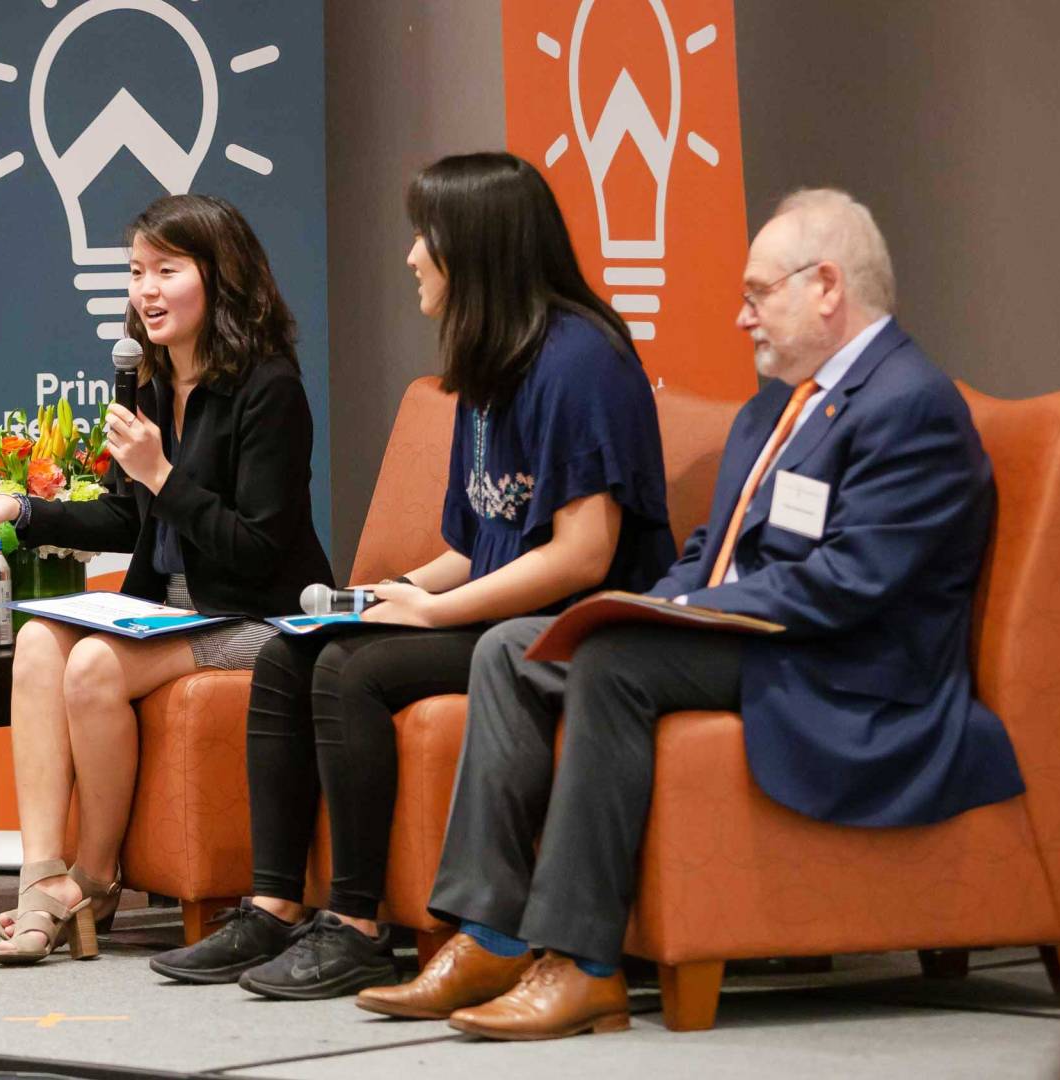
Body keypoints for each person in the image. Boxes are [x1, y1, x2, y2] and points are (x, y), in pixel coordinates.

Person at [360, 188, 1026, 1038]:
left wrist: (687, 618)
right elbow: (710, 547)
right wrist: (651, 603)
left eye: (757, 294)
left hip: (842, 665)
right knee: (514, 648)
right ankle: (489, 932)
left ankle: (583, 963)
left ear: (825, 286)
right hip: (754, 634)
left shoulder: (910, 404)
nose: (742, 318)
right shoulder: (773, 407)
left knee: (613, 660)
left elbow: (853, 582)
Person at [147, 153, 675, 999]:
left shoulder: (580, 362)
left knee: (354, 672)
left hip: (570, 622)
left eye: (423, 235)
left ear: (475, 246)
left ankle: (357, 927)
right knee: (295, 651)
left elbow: (584, 554)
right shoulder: (488, 365)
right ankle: (274, 907)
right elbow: (475, 541)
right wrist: (384, 597)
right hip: (492, 604)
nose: (411, 256)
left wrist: (432, 615)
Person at [0, 194, 333, 965]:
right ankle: (42, 881)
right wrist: (14, 509)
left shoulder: (269, 389)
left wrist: (163, 473)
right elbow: (123, 518)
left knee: (92, 664)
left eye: (166, 271)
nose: (145, 291)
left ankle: (97, 876)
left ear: (220, 278)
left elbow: (256, 546)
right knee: (41, 638)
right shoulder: (146, 381)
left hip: (259, 616)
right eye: (136, 272)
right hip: (171, 612)